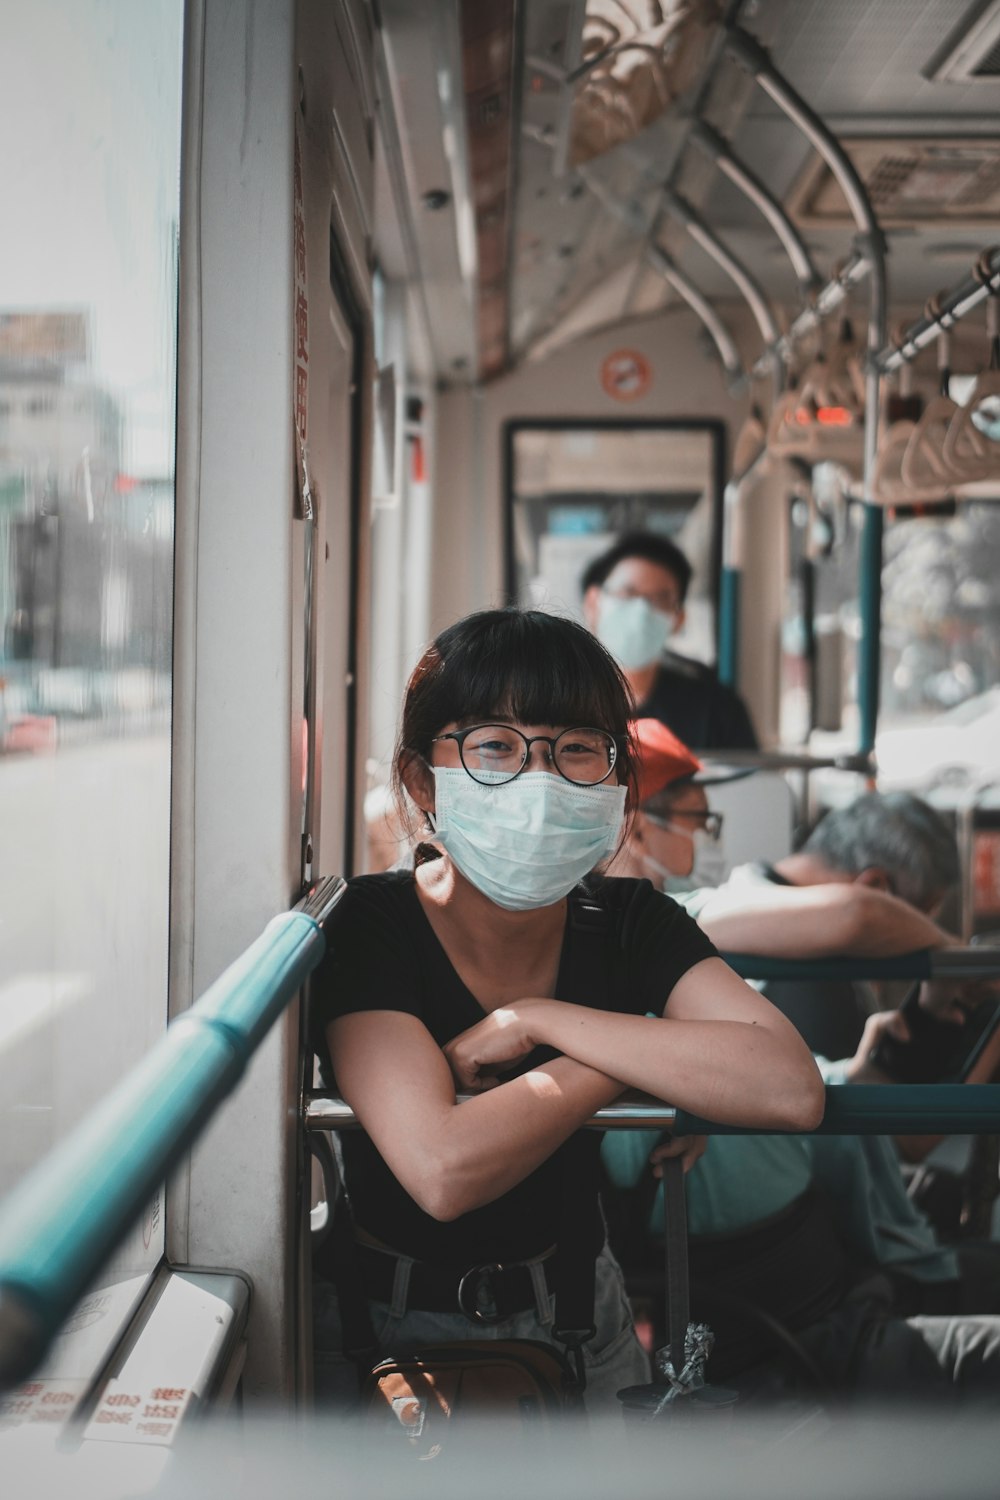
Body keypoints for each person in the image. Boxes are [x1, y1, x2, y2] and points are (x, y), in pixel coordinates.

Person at [309, 608, 823, 1411]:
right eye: (494, 747)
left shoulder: (630, 921)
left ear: (618, 780)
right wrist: (624, 1059)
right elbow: (441, 1168)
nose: (539, 782)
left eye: (577, 749)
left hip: (586, 1325)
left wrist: (538, 1023)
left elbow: (789, 1086)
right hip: (388, 1340)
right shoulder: (371, 926)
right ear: (421, 780)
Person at [601, 734, 1000, 1403]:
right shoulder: (651, 957)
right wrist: (959, 961)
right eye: (701, 821)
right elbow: (856, 915)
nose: (710, 843)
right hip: (801, 1338)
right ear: (637, 827)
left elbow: (813, 1093)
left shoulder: (683, 952)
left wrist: (870, 1062)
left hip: (835, 1293)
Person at [580, 531, 758, 751]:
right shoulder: (556, 700)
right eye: (628, 593)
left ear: (678, 619)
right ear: (593, 603)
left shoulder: (716, 711)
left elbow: (746, 782)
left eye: (659, 600)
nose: (641, 613)